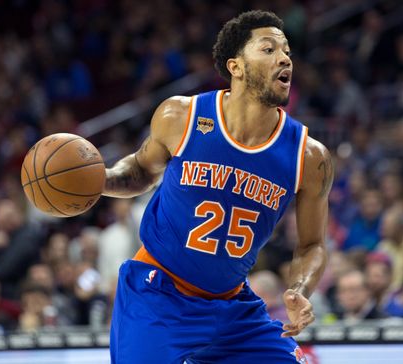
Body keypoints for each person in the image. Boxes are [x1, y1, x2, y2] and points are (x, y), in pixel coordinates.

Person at [103, 10, 331, 363]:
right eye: (268, 49)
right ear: (235, 66)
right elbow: (142, 170)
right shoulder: (181, 116)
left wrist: (300, 289)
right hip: (159, 294)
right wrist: (101, 180)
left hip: (233, 306)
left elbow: (313, 244)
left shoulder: (309, 156)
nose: (285, 57)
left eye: (287, 50)